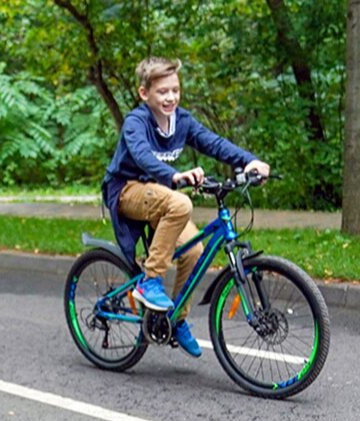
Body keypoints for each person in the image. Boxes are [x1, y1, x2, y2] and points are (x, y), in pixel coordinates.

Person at [101, 57, 269, 357]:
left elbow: (214, 143)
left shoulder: (183, 121)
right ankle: (150, 282)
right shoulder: (136, 122)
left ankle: (175, 319)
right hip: (127, 191)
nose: (170, 98)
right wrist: (175, 176)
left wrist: (249, 160)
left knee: (194, 251)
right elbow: (141, 156)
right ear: (144, 94)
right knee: (181, 202)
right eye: (162, 92)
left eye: (175, 90)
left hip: (159, 194)